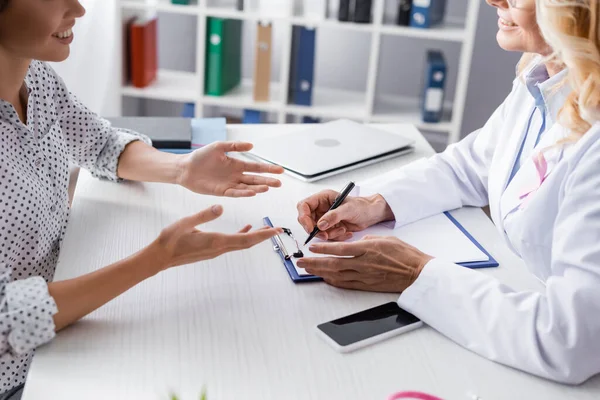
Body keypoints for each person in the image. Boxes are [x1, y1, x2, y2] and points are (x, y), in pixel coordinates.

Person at [297, 0, 600, 385]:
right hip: (521, 300)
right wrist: (374, 204)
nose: (495, 1)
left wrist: (414, 273)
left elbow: (569, 342)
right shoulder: (546, 81)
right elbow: (470, 165)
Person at [0, 0, 284, 396]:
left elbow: (100, 144)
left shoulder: (38, 78)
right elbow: (6, 320)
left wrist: (181, 169)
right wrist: (158, 258)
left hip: (69, 312)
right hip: (22, 377)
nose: (78, 10)